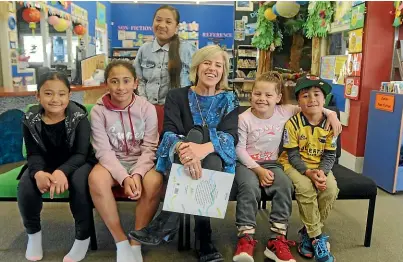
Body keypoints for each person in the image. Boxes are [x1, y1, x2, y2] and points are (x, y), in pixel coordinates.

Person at [129, 45, 239, 262]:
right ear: (197, 67)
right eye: (207, 63)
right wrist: (187, 151)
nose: (212, 69)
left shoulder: (229, 98)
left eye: (218, 65)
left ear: (223, 71)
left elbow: (231, 136)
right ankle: (203, 238)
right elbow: (169, 132)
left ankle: (167, 222)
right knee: (196, 139)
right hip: (181, 158)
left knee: (212, 158)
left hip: (213, 156)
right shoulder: (176, 95)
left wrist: (200, 149)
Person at [232, 72, 342, 262]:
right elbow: (239, 149)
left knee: (285, 185)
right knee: (249, 187)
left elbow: (311, 106)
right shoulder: (244, 118)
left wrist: (330, 113)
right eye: (257, 94)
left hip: (273, 164)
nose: (262, 99)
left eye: (268, 95)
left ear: (278, 98)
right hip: (248, 164)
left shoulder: (284, 111)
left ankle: (277, 239)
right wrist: (257, 170)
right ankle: (246, 238)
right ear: (251, 94)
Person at [17, 72, 97, 262]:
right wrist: (38, 173)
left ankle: (82, 237)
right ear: (38, 96)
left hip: (78, 162)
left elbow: (81, 153)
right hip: (45, 163)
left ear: (69, 95)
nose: (55, 99)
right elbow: (33, 153)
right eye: (48, 93)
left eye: (61, 94)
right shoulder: (30, 119)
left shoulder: (79, 117)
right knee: (27, 186)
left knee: (79, 183)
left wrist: (62, 171)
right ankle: (34, 235)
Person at [88, 60, 163, 262]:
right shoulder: (98, 111)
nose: (120, 87)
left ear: (135, 83)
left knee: (154, 181)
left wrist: (137, 174)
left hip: (142, 161)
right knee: (96, 179)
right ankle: (120, 241)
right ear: (106, 84)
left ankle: (136, 241)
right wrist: (124, 177)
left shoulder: (147, 108)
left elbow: (150, 148)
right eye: (114, 81)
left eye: (126, 81)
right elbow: (103, 151)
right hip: (113, 161)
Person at [278, 75, 340, 262]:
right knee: (305, 189)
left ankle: (308, 233)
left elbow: (330, 155)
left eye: (317, 94)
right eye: (305, 95)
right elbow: (292, 154)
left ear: (324, 99)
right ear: (299, 101)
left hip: (319, 166)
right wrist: (308, 173)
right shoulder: (293, 124)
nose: (312, 99)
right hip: (294, 164)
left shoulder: (331, 125)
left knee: (330, 188)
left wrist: (322, 172)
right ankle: (317, 238)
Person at [134, 5, 196, 134]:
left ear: (176, 27)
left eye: (168, 22)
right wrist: (144, 103)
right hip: (148, 111)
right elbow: (139, 80)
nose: (162, 25)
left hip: (177, 112)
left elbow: (196, 80)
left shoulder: (187, 50)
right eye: (158, 20)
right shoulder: (144, 50)